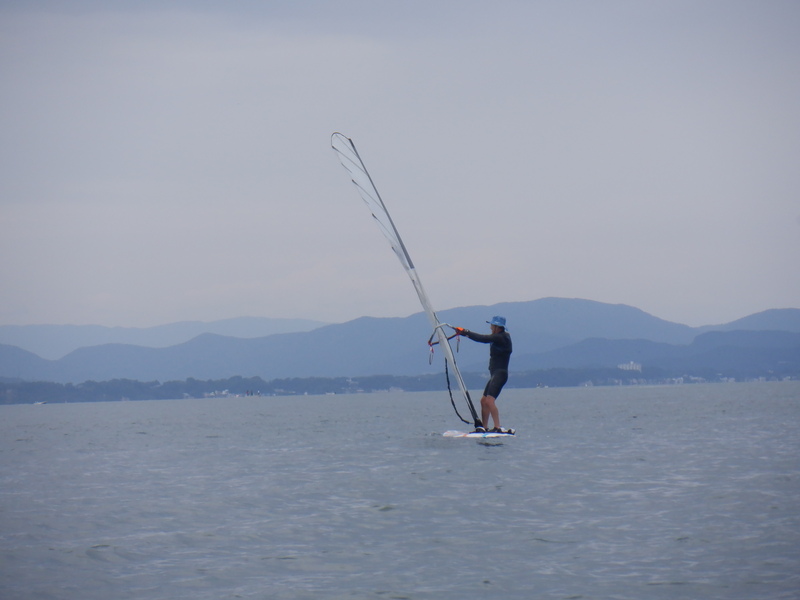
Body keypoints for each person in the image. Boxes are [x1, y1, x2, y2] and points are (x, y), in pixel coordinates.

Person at [454, 316, 513, 433]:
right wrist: (463, 332)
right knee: (483, 401)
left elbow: (483, 338)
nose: (490, 327)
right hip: (495, 374)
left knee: (490, 401)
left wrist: (466, 332)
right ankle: (484, 427)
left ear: (497, 327)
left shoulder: (502, 337)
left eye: (492, 325)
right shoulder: (498, 337)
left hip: (500, 374)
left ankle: (497, 427)